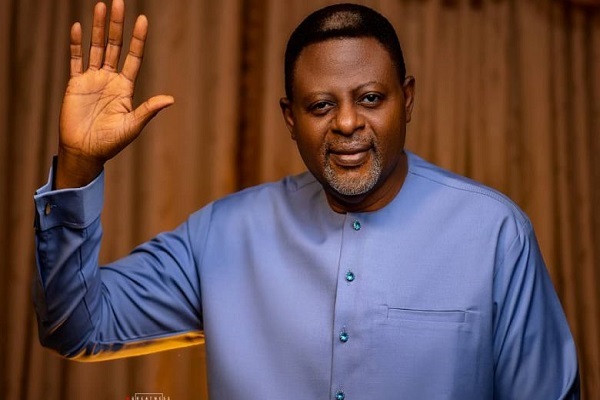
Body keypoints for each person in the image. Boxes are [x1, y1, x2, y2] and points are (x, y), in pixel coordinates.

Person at [33, 1, 579, 399]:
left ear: (407, 100)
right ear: (291, 119)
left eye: (371, 98)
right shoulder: (221, 235)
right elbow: (74, 327)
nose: (347, 123)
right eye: (321, 105)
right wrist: (79, 165)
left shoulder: (494, 233)